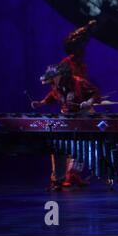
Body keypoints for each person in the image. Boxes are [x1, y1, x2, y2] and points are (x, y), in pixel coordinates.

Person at [31, 63, 102, 191]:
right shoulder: (56, 85)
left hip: (82, 115)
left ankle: (73, 173)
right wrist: (41, 103)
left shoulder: (79, 82)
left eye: (54, 77)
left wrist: (89, 102)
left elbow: (96, 93)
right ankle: (58, 179)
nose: (52, 81)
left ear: (62, 76)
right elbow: (52, 95)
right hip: (67, 117)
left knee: (80, 147)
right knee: (59, 146)